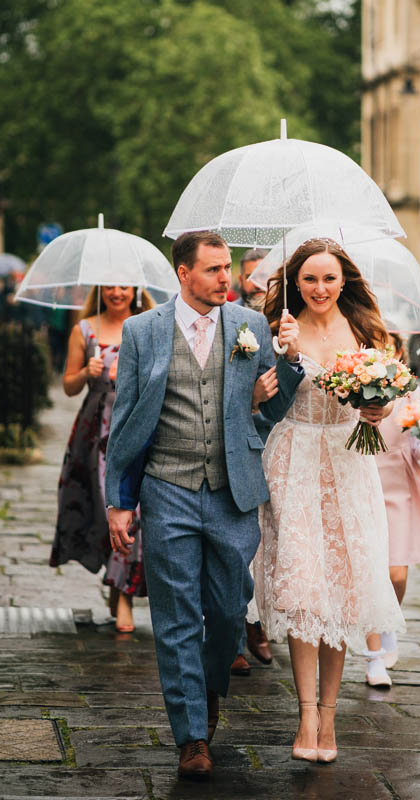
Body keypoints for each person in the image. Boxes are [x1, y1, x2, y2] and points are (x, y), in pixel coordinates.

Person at [105, 232, 303, 781]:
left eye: (227, 269)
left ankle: (211, 687)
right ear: (183, 273)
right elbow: (123, 421)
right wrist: (118, 501)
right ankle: (191, 735)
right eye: (213, 270)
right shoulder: (142, 332)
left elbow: (274, 411)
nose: (226, 278)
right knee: (174, 618)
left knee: (226, 611)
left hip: (232, 491)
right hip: (166, 488)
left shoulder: (251, 326)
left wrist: (286, 365)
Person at [252, 238, 404, 764]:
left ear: (345, 282)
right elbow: (259, 400)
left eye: (329, 279)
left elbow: (384, 396)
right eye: (310, 279)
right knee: (301, 590)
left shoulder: (365, 332)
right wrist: (285, 355)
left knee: (339, 590)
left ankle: (331, 720)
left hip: (347, 462)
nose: (320, 288)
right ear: (295, 282)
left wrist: (377, 410)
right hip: (292, 460)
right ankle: (305, 717)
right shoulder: (276, 330)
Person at [50, 283, 153, 633]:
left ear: (136, 290)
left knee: (132, 510)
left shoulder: (148, 325)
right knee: (105, 511)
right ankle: (116, 584)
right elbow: (67, 386)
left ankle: (123, 595)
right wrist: (87, 373)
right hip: (96, 434)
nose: (117, 292)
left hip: (136, 431)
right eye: (109, 286)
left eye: (124, 286)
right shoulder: (85, 330)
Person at [364, 332, 420, 688]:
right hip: (363, 483)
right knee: (369, 573)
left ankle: (389, 622)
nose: (385, 353)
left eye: (390, 347)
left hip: (396, 489)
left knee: (395, 576)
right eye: (377, 347)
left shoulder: (411, 392)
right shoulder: (356, 389)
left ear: (400, 353)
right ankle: (374, 659)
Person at [231, 246, 273, 675]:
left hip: (284, 434)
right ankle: (244, 626)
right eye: (251, 277)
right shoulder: (238, 322)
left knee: (272, 536)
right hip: (246, 436)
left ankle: (262, 620)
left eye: (265, 277)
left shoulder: (292, 318)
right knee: (244, 535)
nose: (258, 284)